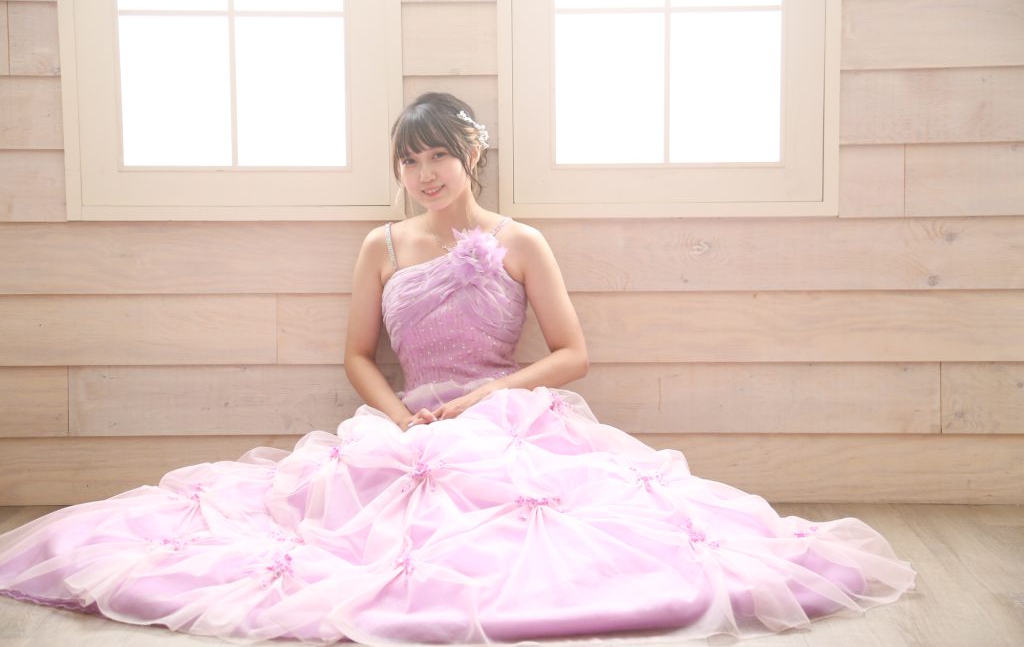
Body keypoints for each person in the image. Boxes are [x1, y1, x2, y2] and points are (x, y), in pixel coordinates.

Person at [0, 93, 915, 645]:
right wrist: (402, 418)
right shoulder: (381, 244)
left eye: (440, 153)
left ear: (472, 154)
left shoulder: (522, 241)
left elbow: (574, 353)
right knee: (362, 522)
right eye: (411, 159)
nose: (426, 171)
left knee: (539, 530)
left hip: (503, 409)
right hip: (411, 416)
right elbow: (355, 354)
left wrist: (489, 396)